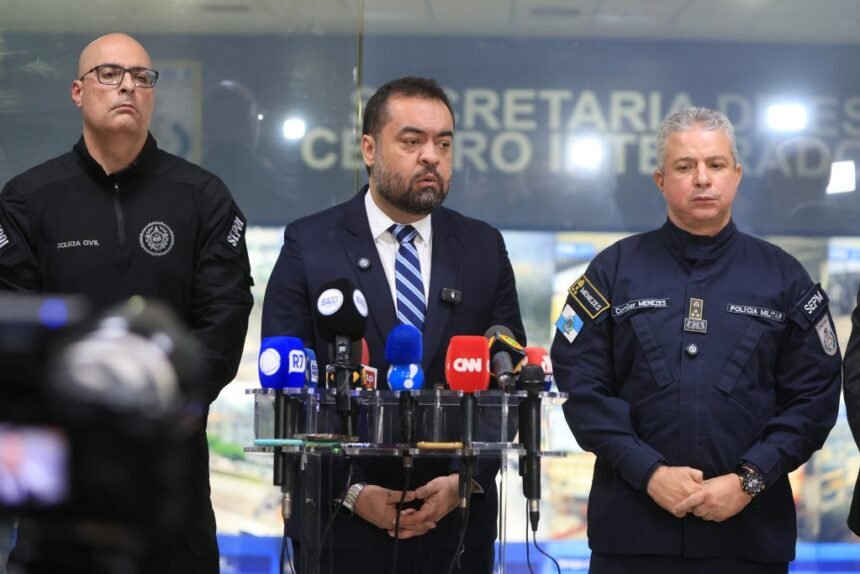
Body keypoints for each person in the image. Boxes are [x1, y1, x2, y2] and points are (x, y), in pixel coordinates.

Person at [0, 33, 253, 573]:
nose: (128, 87)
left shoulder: (202, 197)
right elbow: (13, 325)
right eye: (110, 74)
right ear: (77, 91)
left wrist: (159, 403)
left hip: (172, 470)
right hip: (58, 478)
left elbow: (224, 320)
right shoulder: (27, 200)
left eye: (142, 77)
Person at [550, 107, 841, 573]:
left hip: (748, 538)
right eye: (685, 166)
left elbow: (815, 398)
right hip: (633, 536)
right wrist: (648, 472)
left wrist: (748, 481)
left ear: (737, 175)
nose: (702, 179)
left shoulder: (784, 278)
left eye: (716, 164)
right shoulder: (613, 271)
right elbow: (579, 386)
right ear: (661, 180)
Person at [262, 76, 525, 573]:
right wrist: (351, 491)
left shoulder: (482, 248)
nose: (431, 157)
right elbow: (285, 387)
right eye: (411, 141)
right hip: (340, 528)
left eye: (443, 143)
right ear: (369, 149)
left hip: (456, 530)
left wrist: (462, 480)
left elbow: (505, 381)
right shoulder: (310, 244)